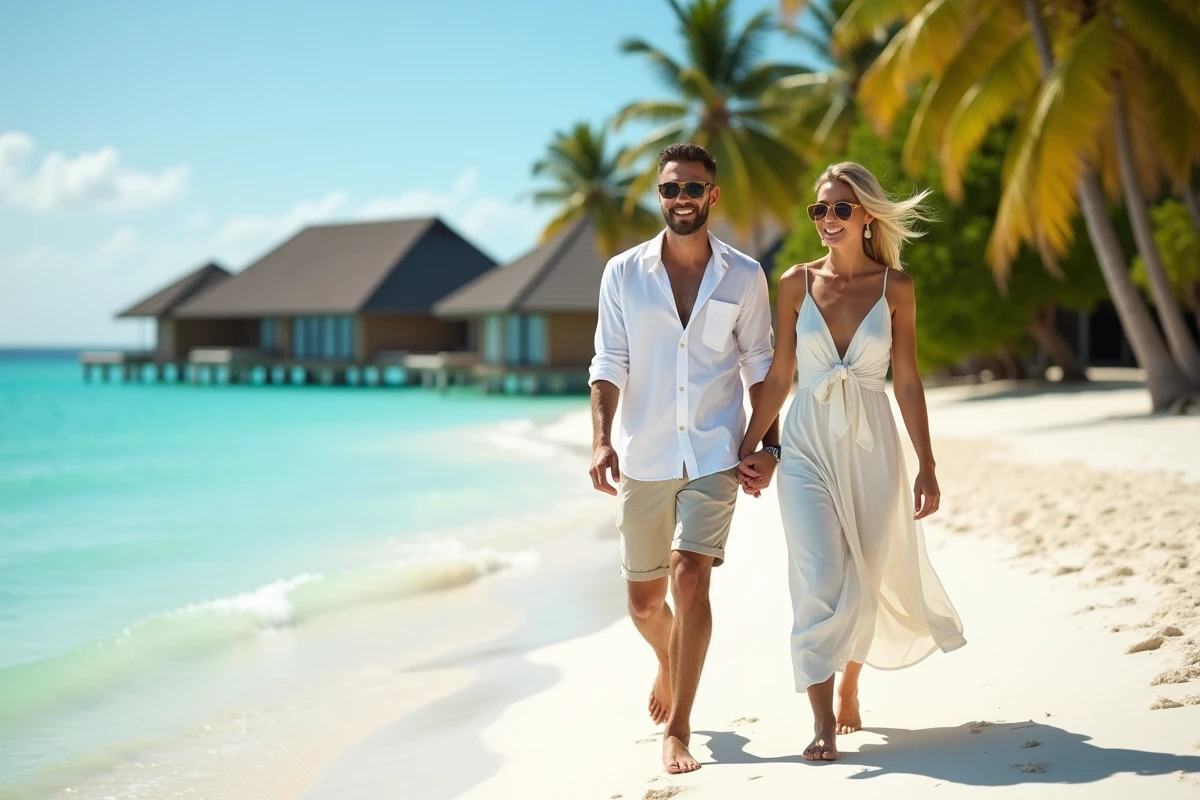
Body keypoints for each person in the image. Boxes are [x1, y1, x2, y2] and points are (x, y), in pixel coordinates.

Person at [739, 162, 966, 762]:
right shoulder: (793, 283)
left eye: (841, 208)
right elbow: (780, 376)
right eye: (820, 209)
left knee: (865, 570)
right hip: (808, 443)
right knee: (820, 576)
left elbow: (909, 381)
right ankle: (819, 720)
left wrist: (929, 464)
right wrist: (749, 445)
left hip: (873, 444)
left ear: (867, 215)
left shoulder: (897, 288)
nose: (828, 219)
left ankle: (850, 686)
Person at [588, 143, 780, 774]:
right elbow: (608, 362)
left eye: (693, 189)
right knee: (644, 603)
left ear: (712, 197)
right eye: (671, 190)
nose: (681, 200)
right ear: (660, 196)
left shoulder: (744, 276)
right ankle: (668, 660)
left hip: (715, 450)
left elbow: (761, 367)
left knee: (690, 573)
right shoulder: (623, 272)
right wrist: (601, 438)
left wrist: (766, 444)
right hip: (644, 452)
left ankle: (679, 727)